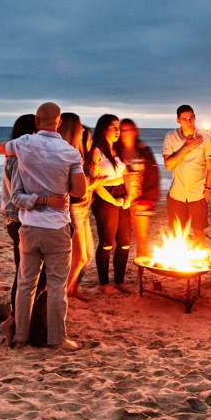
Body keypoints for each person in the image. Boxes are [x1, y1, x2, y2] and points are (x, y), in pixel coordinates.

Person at [0, 102, 86, 351]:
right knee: (57, 286)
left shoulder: (24, 145)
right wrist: (59, 188)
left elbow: (0, 148)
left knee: (26, 284)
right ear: (59, 122)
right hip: (56, 226)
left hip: (29, 226)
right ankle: (57, 339)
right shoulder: (69, 152)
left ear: (37, 121)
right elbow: (80, 191)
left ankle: (21, 337)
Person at [0, 114, 42, 316]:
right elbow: (18, 195)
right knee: (24, 271)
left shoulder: (15, 153)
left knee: (24, 269)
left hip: (15, 219)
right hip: (18, 219)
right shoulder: (18, 157)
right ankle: (18, 313)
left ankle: (20, 312)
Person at [162, 104, 211, 244]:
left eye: (191, 118)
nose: (189, 121)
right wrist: (186, 147)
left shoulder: (206, 138)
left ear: (195, 118)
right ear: (178, 120)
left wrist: (208, 191)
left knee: (199, 232)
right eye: (184, 119)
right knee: (178, 234)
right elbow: (168, 165)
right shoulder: (170, 137)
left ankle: (199, 264)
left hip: (198, 193)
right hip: (177, 193)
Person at [89, 114, 130, 294]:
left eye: (118, 127)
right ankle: (104, 284)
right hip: (105, 199)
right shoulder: (96, 151)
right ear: (103, 128)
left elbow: (126, 174)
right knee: (107, 242)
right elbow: (94, 182)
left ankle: (120, 281)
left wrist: (129, 196)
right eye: (113, 127)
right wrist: (113, 200)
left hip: (122, 195)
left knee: (125, 241)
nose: (117, 130)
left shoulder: (118, 151)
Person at [58, 112, 95, 298]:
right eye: (79, 126)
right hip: (73, 210)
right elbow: (67, 187)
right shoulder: (66, 156)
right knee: (79, 257)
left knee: (87, 255)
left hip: (83, 209)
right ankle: (61, 296)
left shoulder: (77, 154)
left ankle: (71, 290)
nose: (83, 129)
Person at [118, 118, 160, 259]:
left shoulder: (143, 150)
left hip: (141, 201)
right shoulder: (115, 151)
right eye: (122, 130)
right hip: (121, 201)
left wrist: (149, 199)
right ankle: (119, 274)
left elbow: (153, 175)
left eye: (128, 129)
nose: (125, 133)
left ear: (135, 131)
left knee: (142, 239)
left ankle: (140, 275)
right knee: (121, 240)